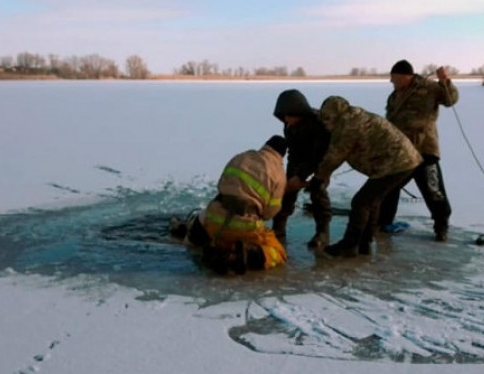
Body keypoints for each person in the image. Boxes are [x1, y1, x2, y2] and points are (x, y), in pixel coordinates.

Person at [308, 96, 422, 258]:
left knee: (361, 202)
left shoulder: (347, 125)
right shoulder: (352, 116)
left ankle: (350, 245)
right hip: (402, 160)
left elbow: (335, 155)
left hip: (396, 163)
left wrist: (318, 178)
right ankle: (364, 243)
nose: (326, 124)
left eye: (327, 119)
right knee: (371, 202)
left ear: (333, 115)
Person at [169, 135, 288, 274]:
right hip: (244, 228)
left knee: (203, 217)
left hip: (214, 219)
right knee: (278, 252)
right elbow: (270, 212)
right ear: (282, 155)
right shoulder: (279, 173)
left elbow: (222, 185)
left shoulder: (241, 157)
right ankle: (243, 255)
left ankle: (195, 236)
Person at [378, 59, 459, 241]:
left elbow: (450, 99)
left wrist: (445, 82)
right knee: (388, 187)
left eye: (394, 78)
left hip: (424, 150)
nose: (392, 82)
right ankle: (383, 222)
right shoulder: (394, 97)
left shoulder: (429, 88)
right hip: (401, 153)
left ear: (406, 76)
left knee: (434, 190)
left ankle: (441, 227)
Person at [272, 89, 332, 249]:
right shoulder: (289, 125)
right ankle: (278, 226)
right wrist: (292, 175)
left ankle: (322, 232)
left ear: (298, 111)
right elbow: (293, 151)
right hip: (300, 159)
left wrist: (302, 175)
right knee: (287, 191)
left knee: (318, 191)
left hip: (323, 160)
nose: (285, 119)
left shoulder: (320, 125)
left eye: (288, 115)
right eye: (283, 116)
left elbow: (318, 156)